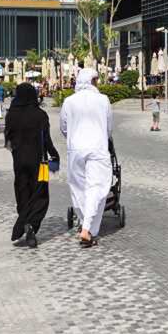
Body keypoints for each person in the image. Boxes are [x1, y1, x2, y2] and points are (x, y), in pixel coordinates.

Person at [60, 67, 113, 247]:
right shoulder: (103, 100)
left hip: (75, 149)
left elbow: (63, 127)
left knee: (78, 188)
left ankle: (86, 225)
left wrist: (74, 137)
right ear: (92, 81)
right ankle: (88, 228)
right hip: (98, 147)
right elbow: (108, 128)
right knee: (96, 188)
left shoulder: (68, 102)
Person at [3, 82, 57, 248]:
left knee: (22, 192)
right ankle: (30, 225)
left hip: (19, 161)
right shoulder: (40, 115)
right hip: (39, 162)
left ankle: (24, 221)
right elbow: (46, 139)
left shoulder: (11, 114)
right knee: (40, 194)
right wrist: (54, 155)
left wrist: (16, 152)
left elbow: (8, 139)